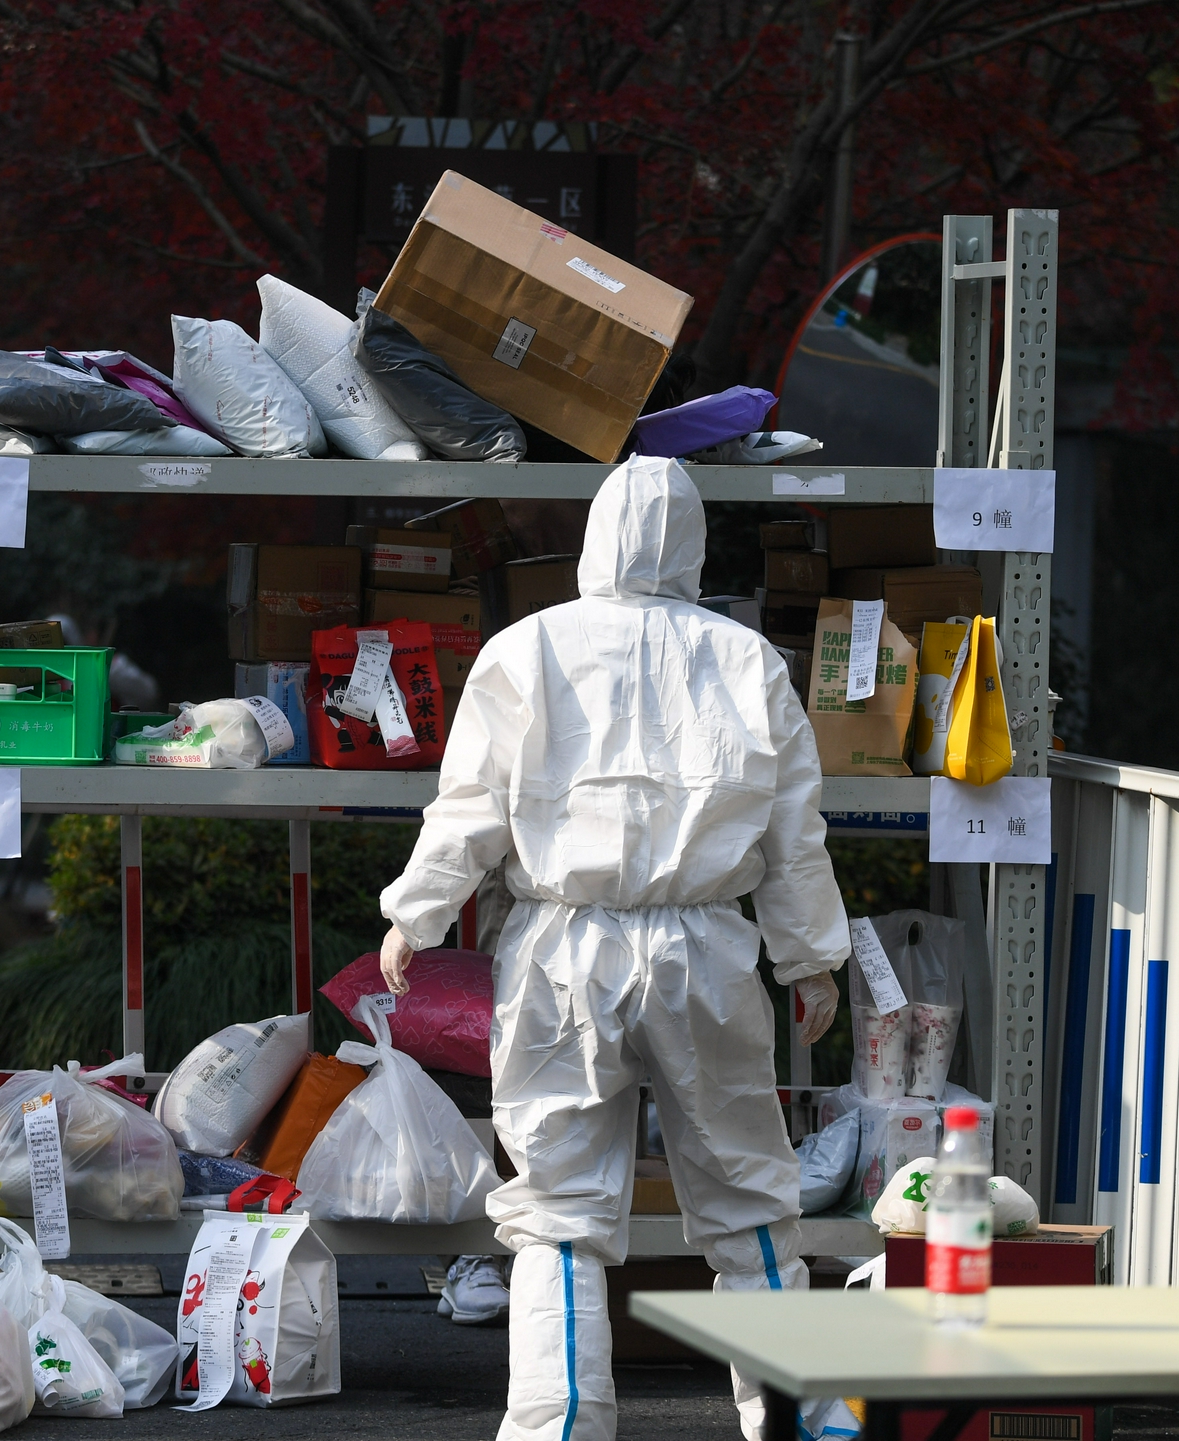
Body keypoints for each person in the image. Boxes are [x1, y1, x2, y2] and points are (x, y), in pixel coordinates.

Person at [377, 457, 856, 1441]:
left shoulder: (526, 649)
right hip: (708, 950)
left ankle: (557, 1425)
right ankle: (797, 1415)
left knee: (555, 1202)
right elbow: (789, 829)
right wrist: (807, 956)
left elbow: (468, 807)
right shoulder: (746, 658)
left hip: (563, 950)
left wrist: (415, 914)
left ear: (594, 536)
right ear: (692, 543)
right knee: (747, 1197)